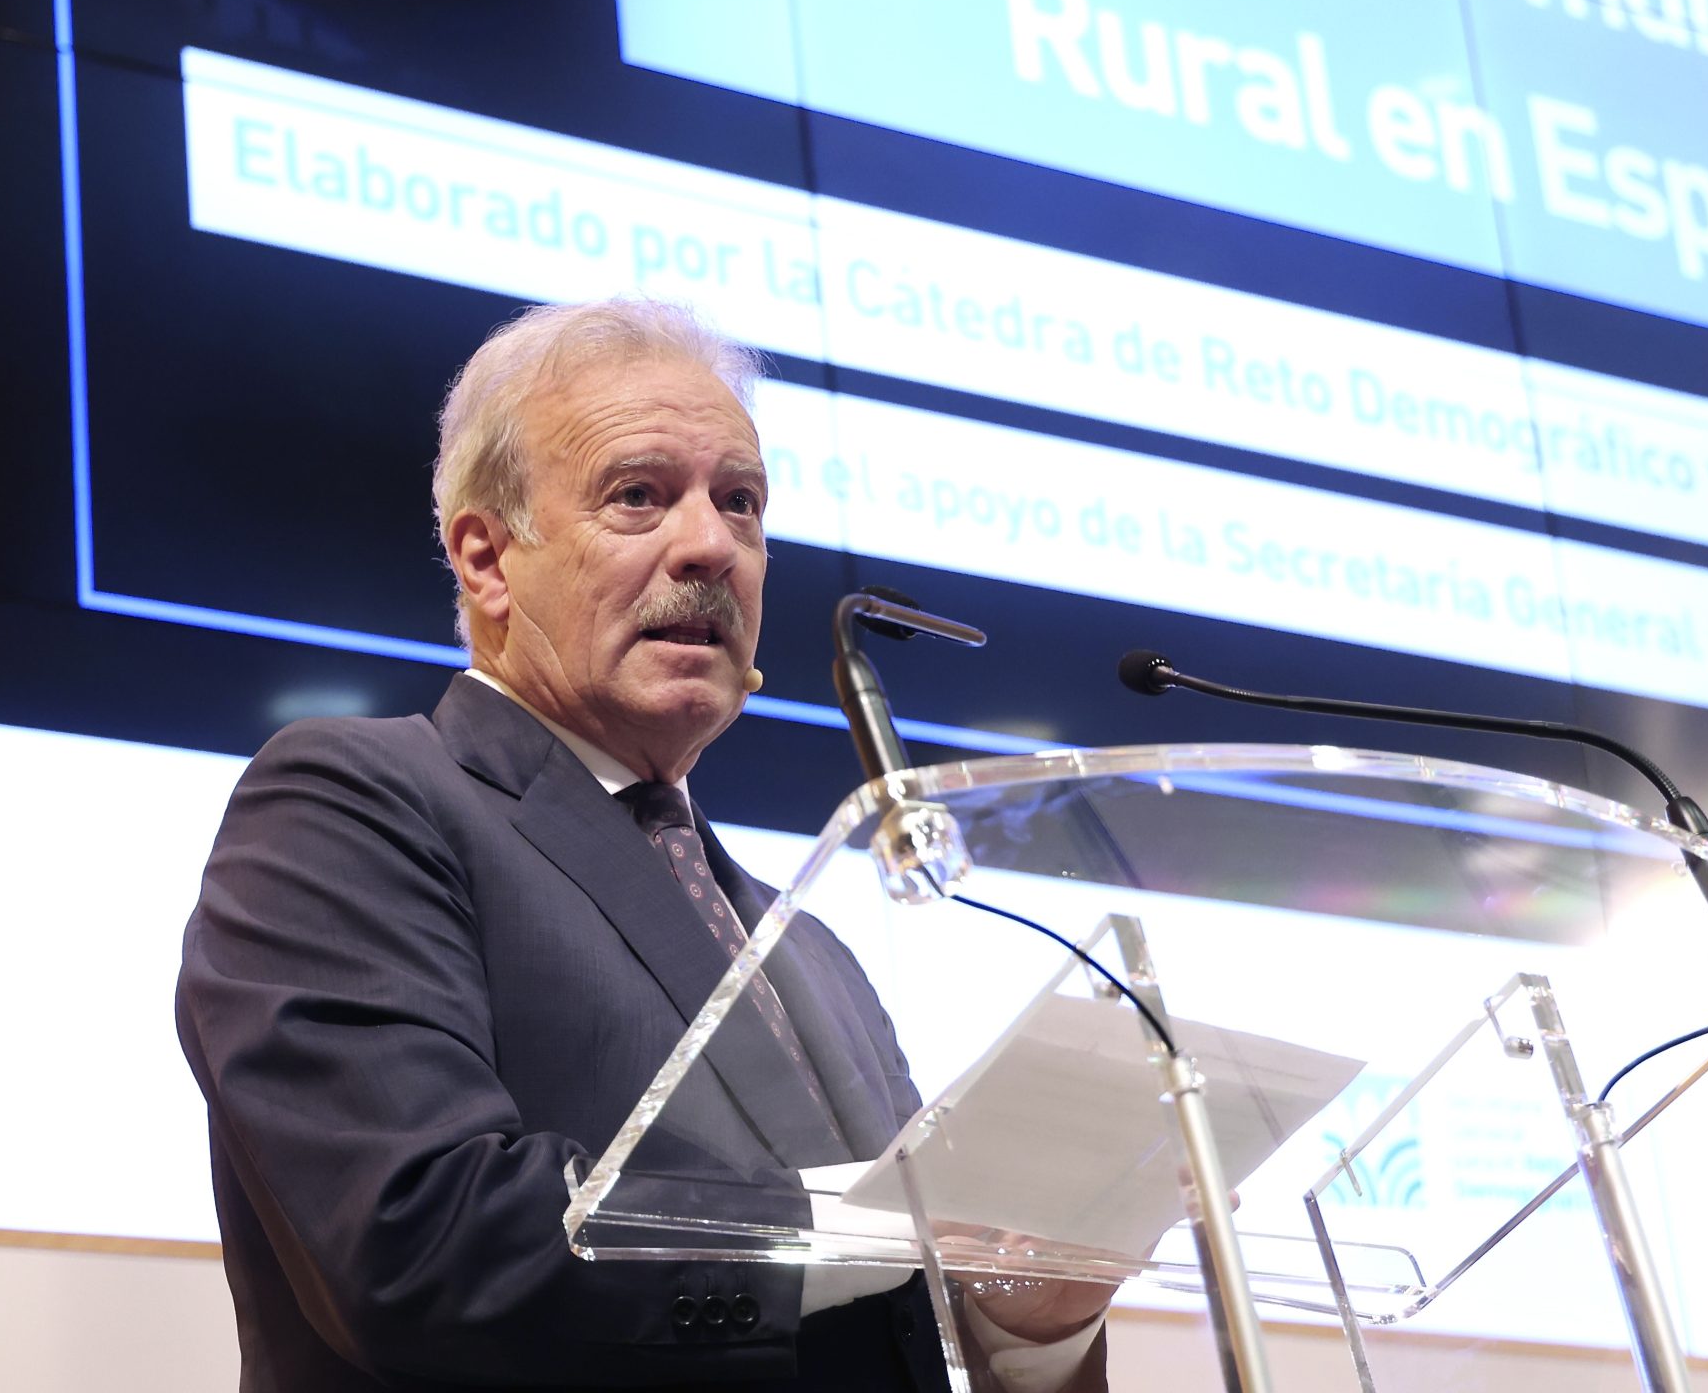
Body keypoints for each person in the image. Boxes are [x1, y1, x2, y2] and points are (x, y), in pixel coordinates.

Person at [176, 299, 1110, 1391]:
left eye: (742, 503)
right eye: (638, 496)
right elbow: (415, 1237)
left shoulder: (814, 952)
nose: (712, 545)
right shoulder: (352, 805)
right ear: (486, 560)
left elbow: (896, 1322)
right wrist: (841, 1231)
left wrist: (1024, 1321)